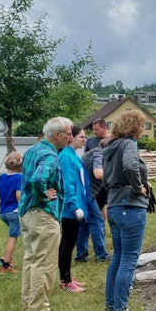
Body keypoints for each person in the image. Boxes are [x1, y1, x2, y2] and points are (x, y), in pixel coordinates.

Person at [18, 116, 72, 311]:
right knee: (45, 262)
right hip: (43, 214)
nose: (70, 137)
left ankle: (28, 304)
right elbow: (38, 178)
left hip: (27, 213)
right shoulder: (50, 156)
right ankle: (39, 308)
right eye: (68, 134)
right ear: (57, 135)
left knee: (31, 260)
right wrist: (44, 194)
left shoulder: (33, 150)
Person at [102, 110, 150, 311]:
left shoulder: (109, 147)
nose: (143, 129)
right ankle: (121, 310)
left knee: (118, 257)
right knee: (129, 260)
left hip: (113, 205)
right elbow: (130, 165)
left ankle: (111, 306)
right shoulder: (129, 144)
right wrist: (137, 186)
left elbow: (104, 178)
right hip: (130, 205)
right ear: (135, 127)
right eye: (143, 125)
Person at [56, 125, 88, 293]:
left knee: (69, 243)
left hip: (76, 206)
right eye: (81, 136)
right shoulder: (66, 157)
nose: (84, 140)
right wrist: (74, 206)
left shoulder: (72, 155)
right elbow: (68, 183)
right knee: (67, 244)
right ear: (71, 138)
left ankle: (67, 277)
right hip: (70, 209)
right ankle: (65, 281)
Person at [75, 139, 109, 264]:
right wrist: (114, 175)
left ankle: (81, 256)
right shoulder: (99, 154)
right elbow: (98, 173)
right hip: (86, 193)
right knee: (97, 221)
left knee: (84, 224)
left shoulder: (95, 152)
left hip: (82, 192)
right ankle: (101, 256)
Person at [0, 151, 23, 273]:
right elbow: (18, 195)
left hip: (3, 212)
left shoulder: (2, 177)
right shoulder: (19, 178)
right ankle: (6, 264)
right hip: (14, 212)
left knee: (12, 233)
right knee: (13, 237)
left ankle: (8, 257)